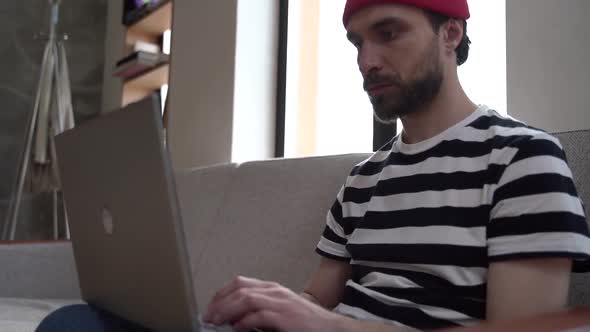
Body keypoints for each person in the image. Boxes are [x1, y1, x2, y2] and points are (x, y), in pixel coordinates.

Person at [37, 0, 590, 331]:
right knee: (75, 324)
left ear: (451, 33)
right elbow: (317, 300)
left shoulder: (523, 158)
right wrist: (266, 307)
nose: (366, 61)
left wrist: (325, 327)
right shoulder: (364, 181)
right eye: (355, 42)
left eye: (389, 33)